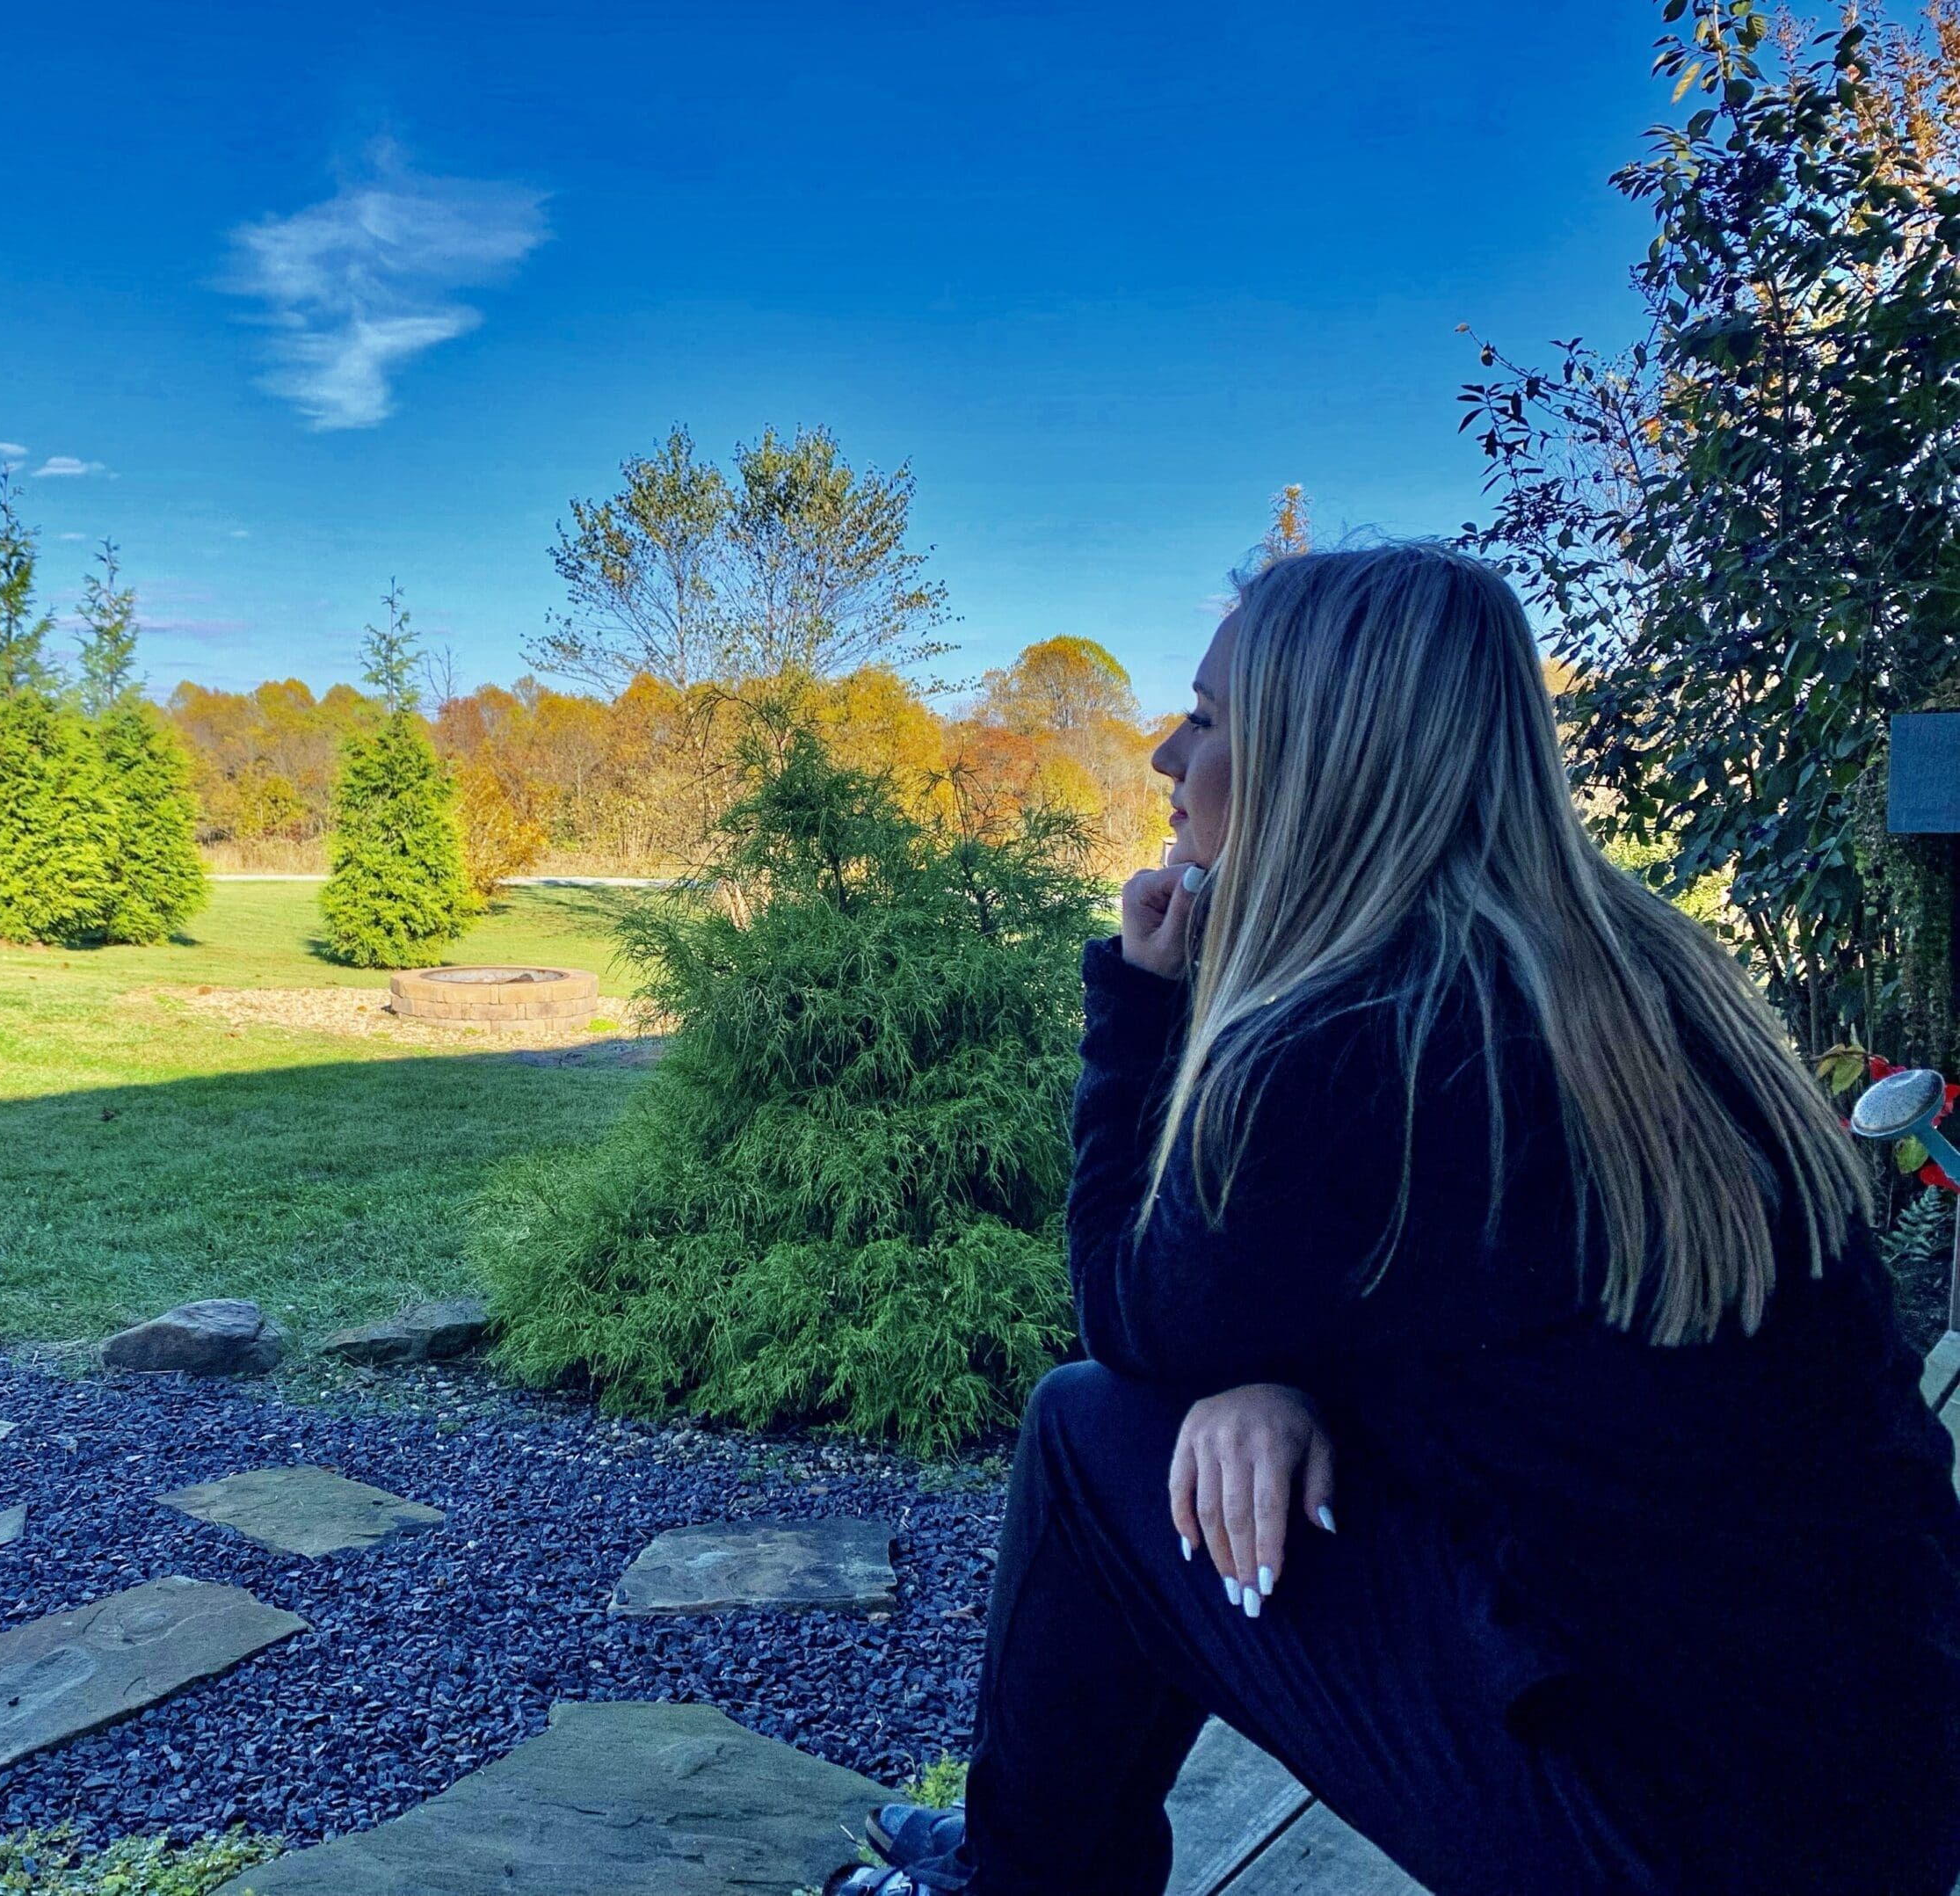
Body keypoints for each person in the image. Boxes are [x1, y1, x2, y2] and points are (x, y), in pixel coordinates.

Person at [833, 544, 1960, 1896]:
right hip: (1879, 1786)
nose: (1163, 757)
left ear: (1319, 761)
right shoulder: (1638, 973)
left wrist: (1141, 1003)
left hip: (1669, 1840)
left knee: (1087, 1435)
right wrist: (1274, 1378)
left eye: (1207, 718)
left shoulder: (1359, 1042)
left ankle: (1019, 1879)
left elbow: (1125, 1308)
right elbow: (1509, 1332)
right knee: (1200, 1424)